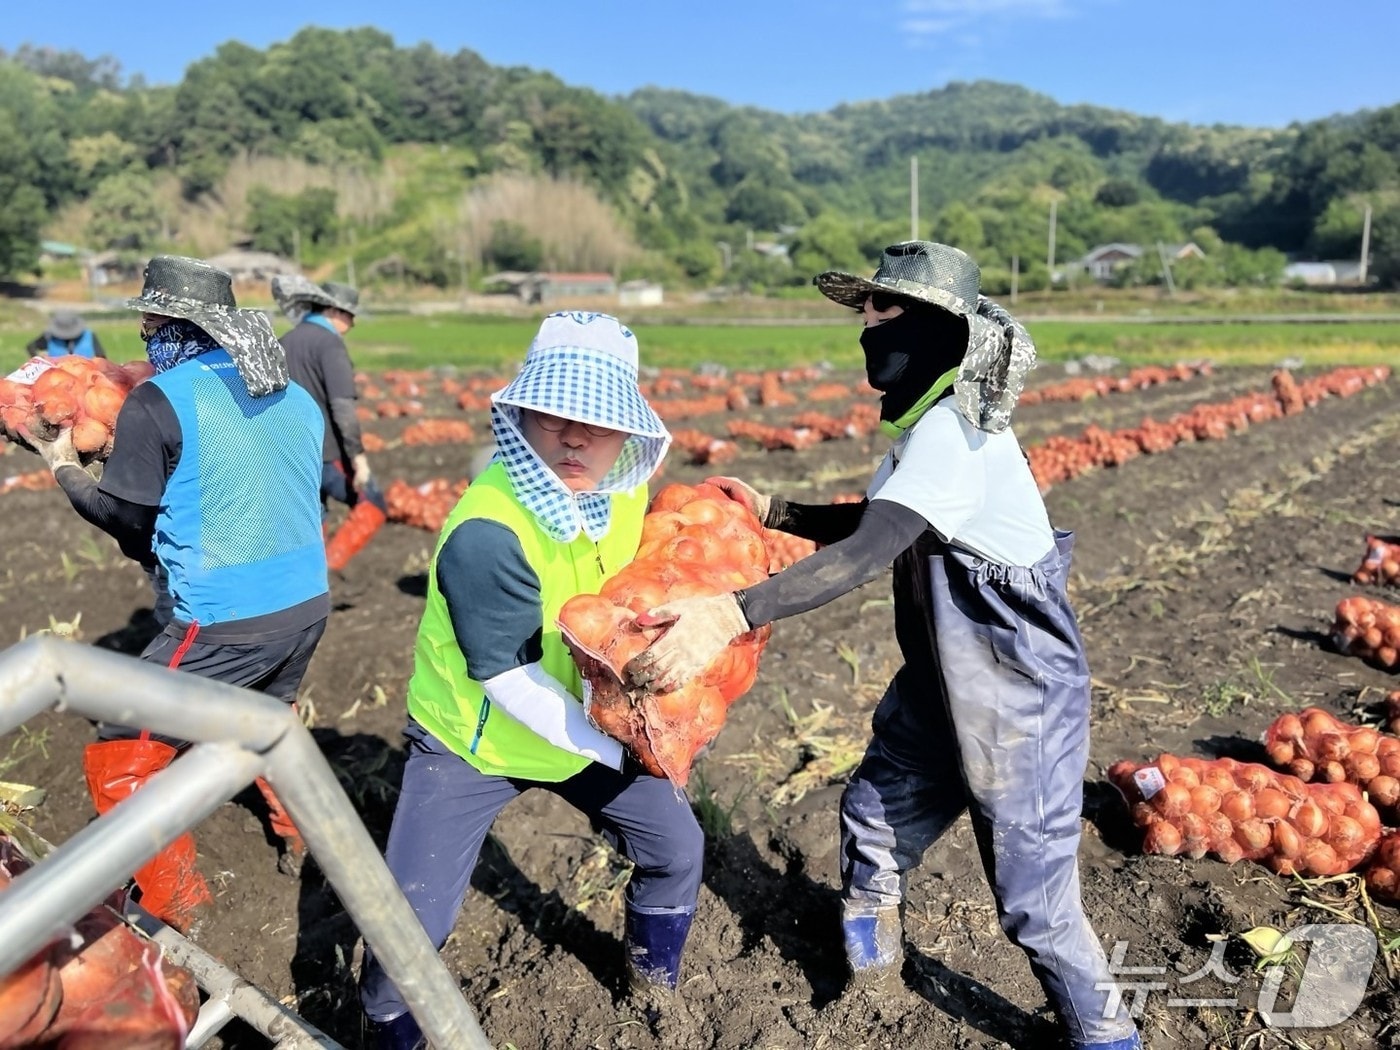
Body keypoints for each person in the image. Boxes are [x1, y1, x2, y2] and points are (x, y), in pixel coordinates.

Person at [625, 243, 1142, 1050]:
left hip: (1018, 696)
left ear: (938, 328)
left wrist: (731, 613)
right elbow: (876, 519)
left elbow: (871, 550)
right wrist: (776, 509)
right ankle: (874, 983)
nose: (866, 323)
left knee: (1033, 904)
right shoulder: (924, 429)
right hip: (943, 683)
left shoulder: (955, 435)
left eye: (883, 307)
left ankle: (1107, 1036)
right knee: (873, 817)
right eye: (863, 307)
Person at [358, 312, 701, 1050]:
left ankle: (654, 987)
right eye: (553, 416)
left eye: (598, 421)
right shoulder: (489, 530)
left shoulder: (621, 491)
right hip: (473, 738)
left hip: (583, 715)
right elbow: (509, 680)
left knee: (677, 849)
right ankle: (387, 1029)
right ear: (519, 415)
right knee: (407, 932)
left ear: (626, 430)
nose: (575, 438)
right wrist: (622, 751)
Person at [21, 256, 330, 929]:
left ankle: (178, 910)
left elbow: (126, 520)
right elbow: (252, 474)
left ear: (167, 324)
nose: (142, 332)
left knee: (120, 746)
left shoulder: (158, 400)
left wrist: (66, 468)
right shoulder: (290, 391)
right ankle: (299, 836)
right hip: (306, 603)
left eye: (148, 321)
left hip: (225, 617)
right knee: (267, 718)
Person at [272, 274, 387, 572]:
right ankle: (330, 570)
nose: (352, 323)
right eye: (350, 315)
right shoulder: (330, 344)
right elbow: (342, 407)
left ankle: (308, 577)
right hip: (325, 451)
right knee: (372, 503)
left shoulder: (284, 342)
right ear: (333, 311)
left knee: (313, 516)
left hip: (287, 452)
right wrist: (358, 460)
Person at [26, 308, 107, 358]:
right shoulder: (49, 337)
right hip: (58, 378)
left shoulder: (89, 336)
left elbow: (102, 358)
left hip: (85, 377)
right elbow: (31, 347)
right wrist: (40, 361)